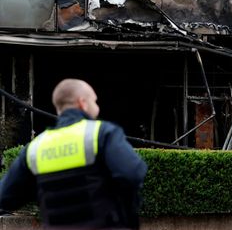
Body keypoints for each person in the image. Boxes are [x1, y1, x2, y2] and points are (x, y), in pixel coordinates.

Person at [0, 78, 148, 229]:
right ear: (82, 102)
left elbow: (5, 197)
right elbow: (133, 173)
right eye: (95, 102)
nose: (97, 108)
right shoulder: (102, 133)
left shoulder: (35, 147)